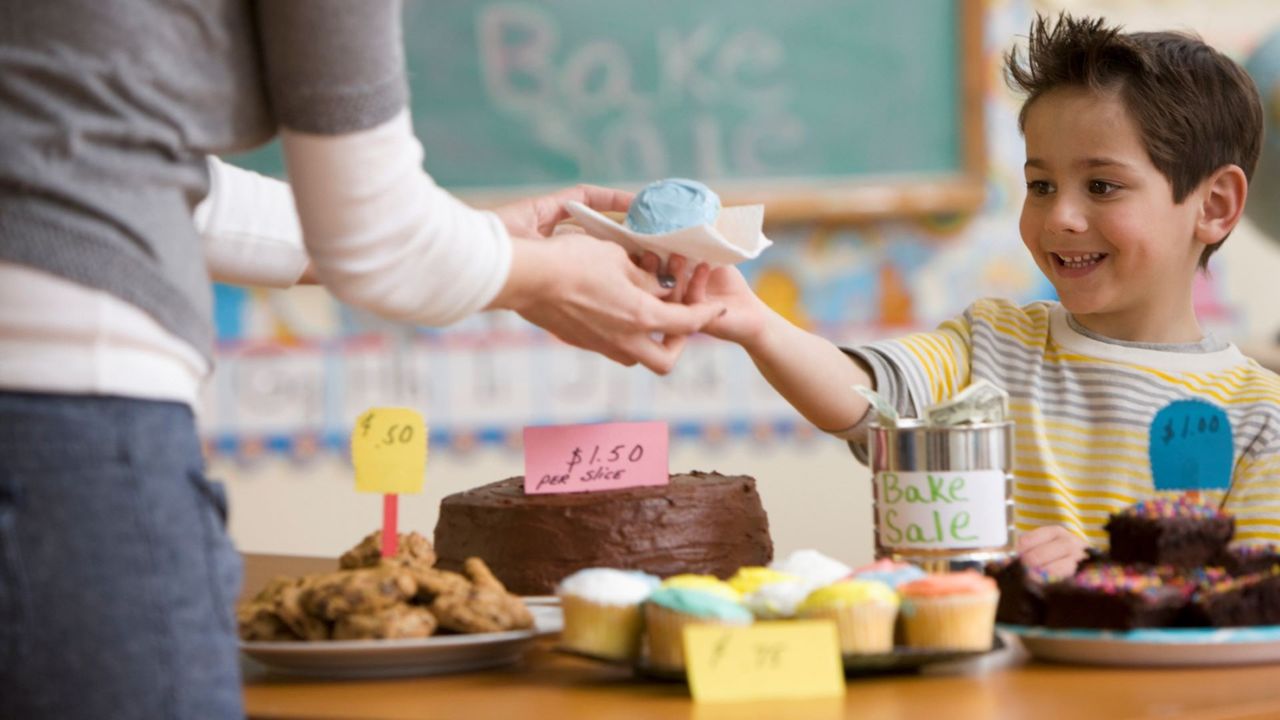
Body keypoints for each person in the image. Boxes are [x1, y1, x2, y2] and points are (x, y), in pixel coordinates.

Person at [0, 2, 722, 718]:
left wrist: (485, 243)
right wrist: (549, 275)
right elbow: (378, 236)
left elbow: (132, 172)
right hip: (57, 415)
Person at [670, 12, 1280, 578]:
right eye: (1040, 184)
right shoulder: (991, 343)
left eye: (1101, 185)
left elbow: (1252, 602)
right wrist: (752, 321)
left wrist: (1101, 575)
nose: (1060, 216)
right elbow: (864, 397)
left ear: (1215, 205)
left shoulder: (1260, 417)